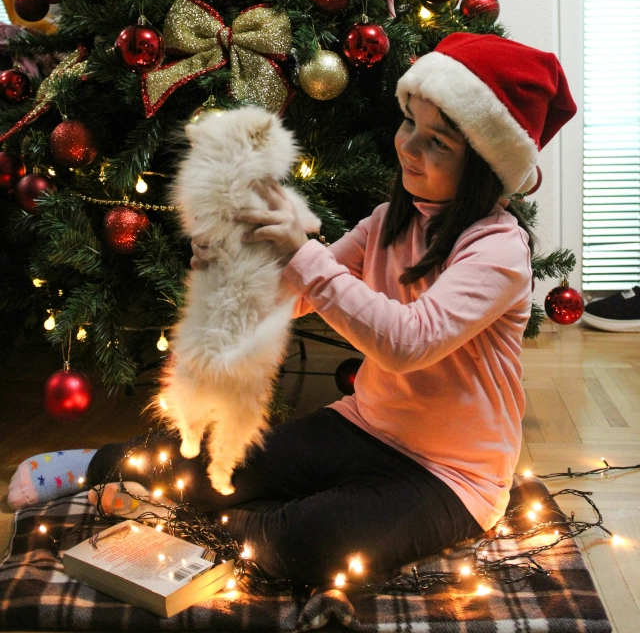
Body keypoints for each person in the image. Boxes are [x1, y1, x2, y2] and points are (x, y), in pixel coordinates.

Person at [86, 32, 576, 588]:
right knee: (176, 462)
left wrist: (302, 252)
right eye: (409, 122)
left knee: (305, 544)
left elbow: (405, 343)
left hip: (451, 474)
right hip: (362, 425)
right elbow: (289, 297)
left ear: (487, 164)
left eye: (439, 142)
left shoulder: (499, 250)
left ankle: (229, 525)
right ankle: (121, 480)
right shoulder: (391, 218)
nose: (409, 146)